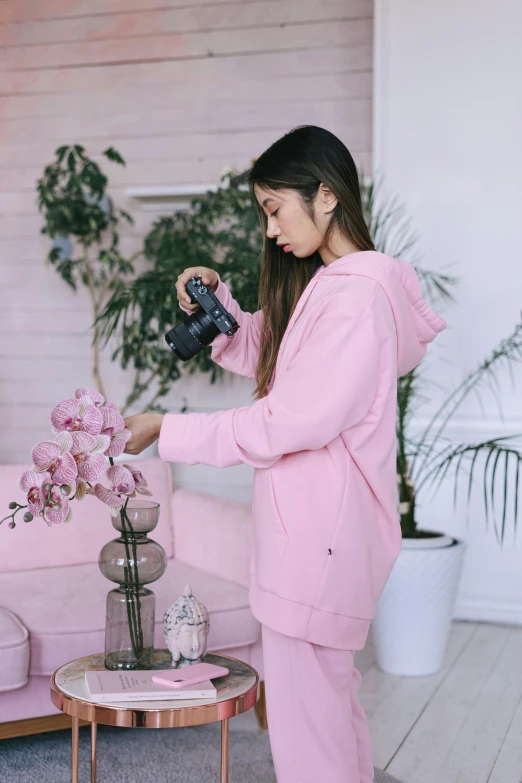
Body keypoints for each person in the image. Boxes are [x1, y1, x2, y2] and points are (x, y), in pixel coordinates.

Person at [122, 125, 447, 782]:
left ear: (325, 194)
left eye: (275, 208)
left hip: (316, 550)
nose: (270, 229)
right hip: (314, 544)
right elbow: (268, 355)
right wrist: (220, 310)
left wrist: (165, 428)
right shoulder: (332, 289)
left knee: (308, 740)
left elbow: (284, 421)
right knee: (329, 716)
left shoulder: (355, 300)